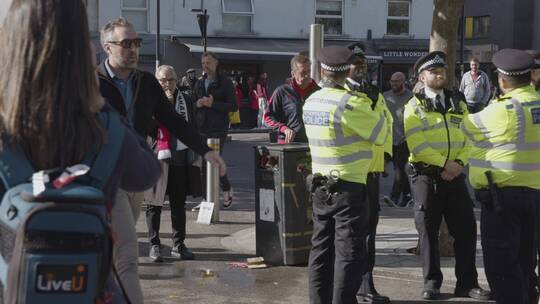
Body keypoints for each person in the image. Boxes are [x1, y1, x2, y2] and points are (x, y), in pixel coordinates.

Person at [0, 1, 161, 303]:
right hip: (86, 287)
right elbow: (147, 173)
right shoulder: (103, 124)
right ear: (82, 49)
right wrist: (100, 102)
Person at [98, 17, 225, 303]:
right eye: (125, 43)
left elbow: (174, 121)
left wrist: (205, 151)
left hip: (136, 175)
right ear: (107, 47)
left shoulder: (146, 83)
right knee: (128, 255)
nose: (132, 49)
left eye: (136, 43)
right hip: (104, 178)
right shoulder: (90, 82)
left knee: (116, 251)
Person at [304, 45, 388, 304]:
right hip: (348, 187)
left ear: (322, 70)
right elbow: (381, 133)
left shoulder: (311, 101)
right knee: (348, 253)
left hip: (320, 187)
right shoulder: (351, 103)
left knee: (320, 251)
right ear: (346, 71)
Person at [404, 51, 490, 301]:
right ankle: (432, 283)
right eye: (434, 72)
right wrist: (445, 164)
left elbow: (470, 135)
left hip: (455, 177)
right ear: (423, 76)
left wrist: (460, 163)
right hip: (426, 178)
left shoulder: (457, 102)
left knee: (465, 230)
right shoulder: (414, 105)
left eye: (443, 71)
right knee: (428, 233)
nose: (440, 75)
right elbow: (417, 145)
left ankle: (467, 283)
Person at [462, 49, 540, 304]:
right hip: (534, 196)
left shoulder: (503, 110)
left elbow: (466, 127)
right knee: (526, 262)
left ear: (503, 81)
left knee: (502, 267)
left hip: (503, 200)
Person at [345, 42, 392, 304]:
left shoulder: (374, 93)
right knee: (349, 234)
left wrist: (383, 156)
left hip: (371, 173)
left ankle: (366, 284)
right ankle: (347, 287)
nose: (360, 66)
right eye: (355, 62)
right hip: (350, 173)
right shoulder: (340, 92)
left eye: (363, 62)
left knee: (369, 233)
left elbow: (388, 122)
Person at [145, 65, 202, 262]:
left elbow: (192, 126)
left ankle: (179, 244)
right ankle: (154, 244)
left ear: (177, 80)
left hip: (180, 158)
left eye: (170, 80)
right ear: (156, 81)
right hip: (157, 157)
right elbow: (147, 128)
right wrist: (165, 108)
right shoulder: (149, 99)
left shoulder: (185, 99)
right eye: (162, 80)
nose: (167, 84)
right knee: (154, 204)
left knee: (179, 204)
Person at [193, 52, 237, 207]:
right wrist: (197, 104)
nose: (205, 66)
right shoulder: (200, 82)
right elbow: (193, 102)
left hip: (218, 129)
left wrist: (213, 104)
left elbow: (233, 106)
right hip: (202, 128)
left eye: (209, 63)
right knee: (204, 165)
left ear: (216, 63)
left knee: (213, 162)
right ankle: (207, 199)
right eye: (203, 63)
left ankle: (225, 190)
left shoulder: (225, 82)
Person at [265, 54, 320, 144]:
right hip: (288, 143)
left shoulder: (318, 92)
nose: (307, 76)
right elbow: (268, 117)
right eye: (303, 73)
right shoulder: (282, 91)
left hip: (312, 144)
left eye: (309, 71)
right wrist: (284, 129)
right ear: (293, 74)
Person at [383, 72, 414, 207]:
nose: (394, 84)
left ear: (403, 82)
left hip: (404, 139)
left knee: (399, 169)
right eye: (392, 81)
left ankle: (394, 197)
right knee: (395, 168)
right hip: (389, 138)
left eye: (397, 81)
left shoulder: (411, 97)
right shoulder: (386, 96)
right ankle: (407, 195)